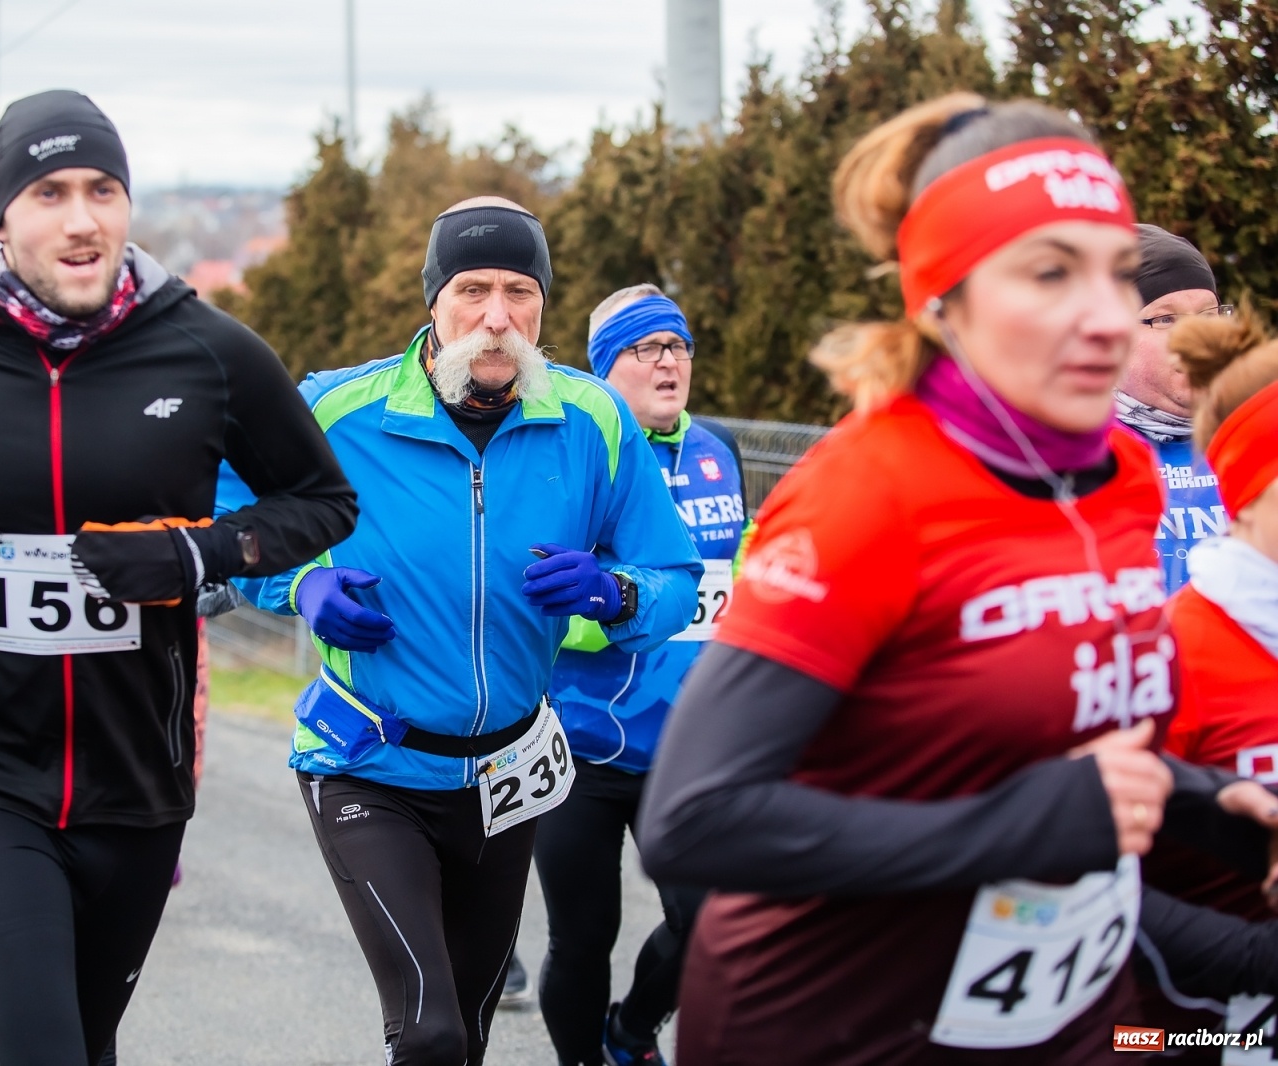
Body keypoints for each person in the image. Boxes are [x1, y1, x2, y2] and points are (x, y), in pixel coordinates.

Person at [636, 94, 1278, 1065]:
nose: (1103, 315)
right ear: (947, 298)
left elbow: (1058, 739)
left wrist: (1202, 802)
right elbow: (695, 817)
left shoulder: (1124, 477)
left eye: (1114, 272)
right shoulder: (869, 490)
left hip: (1052, 1011)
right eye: (1050, 272)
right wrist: (1022, 822)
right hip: (831, 1021)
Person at [0, 90, 357, 1066]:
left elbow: (319, 500)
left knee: (88, 1045)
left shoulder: (207, 349)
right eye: (49, 191)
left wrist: (190, 555)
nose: (83, 218)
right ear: (3, 215)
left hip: (136, 779)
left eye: (103, 189)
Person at [221, 196, 702, 1066]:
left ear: (543, 306)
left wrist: (615, 593)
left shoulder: (594, 420)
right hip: (369, 761)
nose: (496, 317)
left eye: (520, 292)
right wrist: (302, 583)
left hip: (507, 773)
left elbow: (674, 580)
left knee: (469, 1035)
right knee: (431, 1034)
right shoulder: (338, 411)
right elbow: (227, 519)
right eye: (471, 289)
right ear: (433, 301)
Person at [529, 285, 743, 1066]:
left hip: (690, 744)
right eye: (646, 348)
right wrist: (613, 602)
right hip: (580, 743)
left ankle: (630, 1031)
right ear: (602, 369)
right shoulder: (573, 455)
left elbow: (735, 573)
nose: (668, 362)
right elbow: (539, 597)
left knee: (712, 918)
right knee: (583, 937)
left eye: (678, 346)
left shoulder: (717, 450)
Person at [1139, 311, 1278, 1053]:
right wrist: (1251, 960)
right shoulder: (1167, 656)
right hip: (1176, 1032)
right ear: (1251, 495)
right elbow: (1075, 881)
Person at [1114, 226, 1233, 592]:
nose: (1197, 337)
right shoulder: (1070, 453)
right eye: (1165, 319)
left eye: (1209, 314)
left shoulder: (1256, 435)